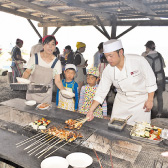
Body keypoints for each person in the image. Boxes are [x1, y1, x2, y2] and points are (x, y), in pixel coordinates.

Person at [86, 39, 157, 125]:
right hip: (121, 102)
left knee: (139, 130)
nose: (108, 59)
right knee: (115, 128)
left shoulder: (138, 60)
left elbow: (150, 80)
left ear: (120, 52)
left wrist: (150, 100)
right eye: (106, 56)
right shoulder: (108, 70)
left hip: (141, 102)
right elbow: (101, 92)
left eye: (111, 56)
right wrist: (91, 111)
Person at [22, 35, 64, 103]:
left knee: (44, 112)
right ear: (43, 45)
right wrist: (22, 80)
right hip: (32, 92)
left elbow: (58, 81)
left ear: (55, 47)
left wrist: (64, 91)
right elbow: (27, 72)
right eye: (48, 43)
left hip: (46, 95)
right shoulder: (35, 57)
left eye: (53, 44)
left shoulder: (56, 62)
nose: (50, 46)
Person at [144, 40, 166, 117]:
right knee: (159, 97)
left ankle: (149, 112)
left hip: (151, 80)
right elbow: (163, 66)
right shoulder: (159, 55)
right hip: (160, 78)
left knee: (150, 97)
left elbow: (145, 70)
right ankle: (159, 113)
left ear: (147, 48)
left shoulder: (146, 58)